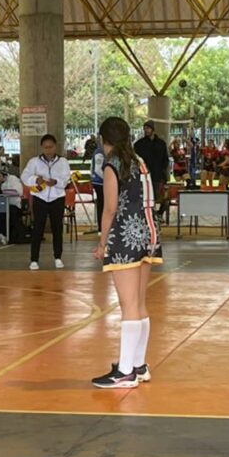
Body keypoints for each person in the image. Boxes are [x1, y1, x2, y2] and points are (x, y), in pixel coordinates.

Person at [92, 116, 162, 388]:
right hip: (149, 231)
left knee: (128, 304)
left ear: (103, 139)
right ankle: (138, 364)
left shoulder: (112, 164)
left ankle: (124, 372)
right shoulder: (139, 160)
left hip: (127, 234)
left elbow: (109, 208)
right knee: (140, 302)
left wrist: (102, 243)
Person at [21, 134, 71, 271]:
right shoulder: (34, 162)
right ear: (42, 148)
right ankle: (34, 259)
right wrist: (35, 180)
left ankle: (58, 257)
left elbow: (66, 178)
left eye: (51, 147)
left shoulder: (63, 162)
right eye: (46, 147)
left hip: (57, 197)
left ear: (55, 147)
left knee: (57, 227)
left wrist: (57, 182)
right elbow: (25, 176)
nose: (48, 150)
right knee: (38, 227)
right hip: (40, 197)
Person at [133, 121, 169, 199]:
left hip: (157, 176)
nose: (146, 130)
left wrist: (163, 174)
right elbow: (136, 160)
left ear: (153, 129)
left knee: (156, 197)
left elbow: (165, 160)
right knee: (144, 197)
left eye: (148, 128)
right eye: (145, 128)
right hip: (143, 176)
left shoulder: (161, 144)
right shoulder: (139, 145)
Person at [90, 135, 106, 230]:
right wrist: (108, 180)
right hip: (100, 183)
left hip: (100, 182)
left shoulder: (100, 151)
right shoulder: (99, 152)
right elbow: (98, 169)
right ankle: (101, 227)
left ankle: (102, 227)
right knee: (102, 205)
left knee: (102, 205)